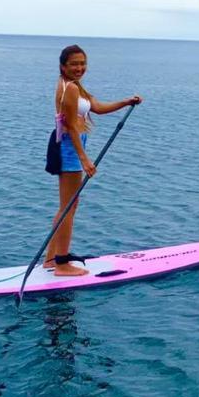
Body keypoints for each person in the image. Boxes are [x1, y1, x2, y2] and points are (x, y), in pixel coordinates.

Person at [46, 44, 142, 276]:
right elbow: (70, 126)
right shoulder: (68, 89)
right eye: (74, 64)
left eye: (82, 63)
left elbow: (97, 107)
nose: (79, 68)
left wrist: (126, 102)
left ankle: (51, 258)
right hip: (68, 148)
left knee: (68, 205)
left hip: (71, 147)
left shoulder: (75, 86)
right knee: (69, 207)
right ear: (63, 66)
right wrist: (84, 159)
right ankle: (61, 263)